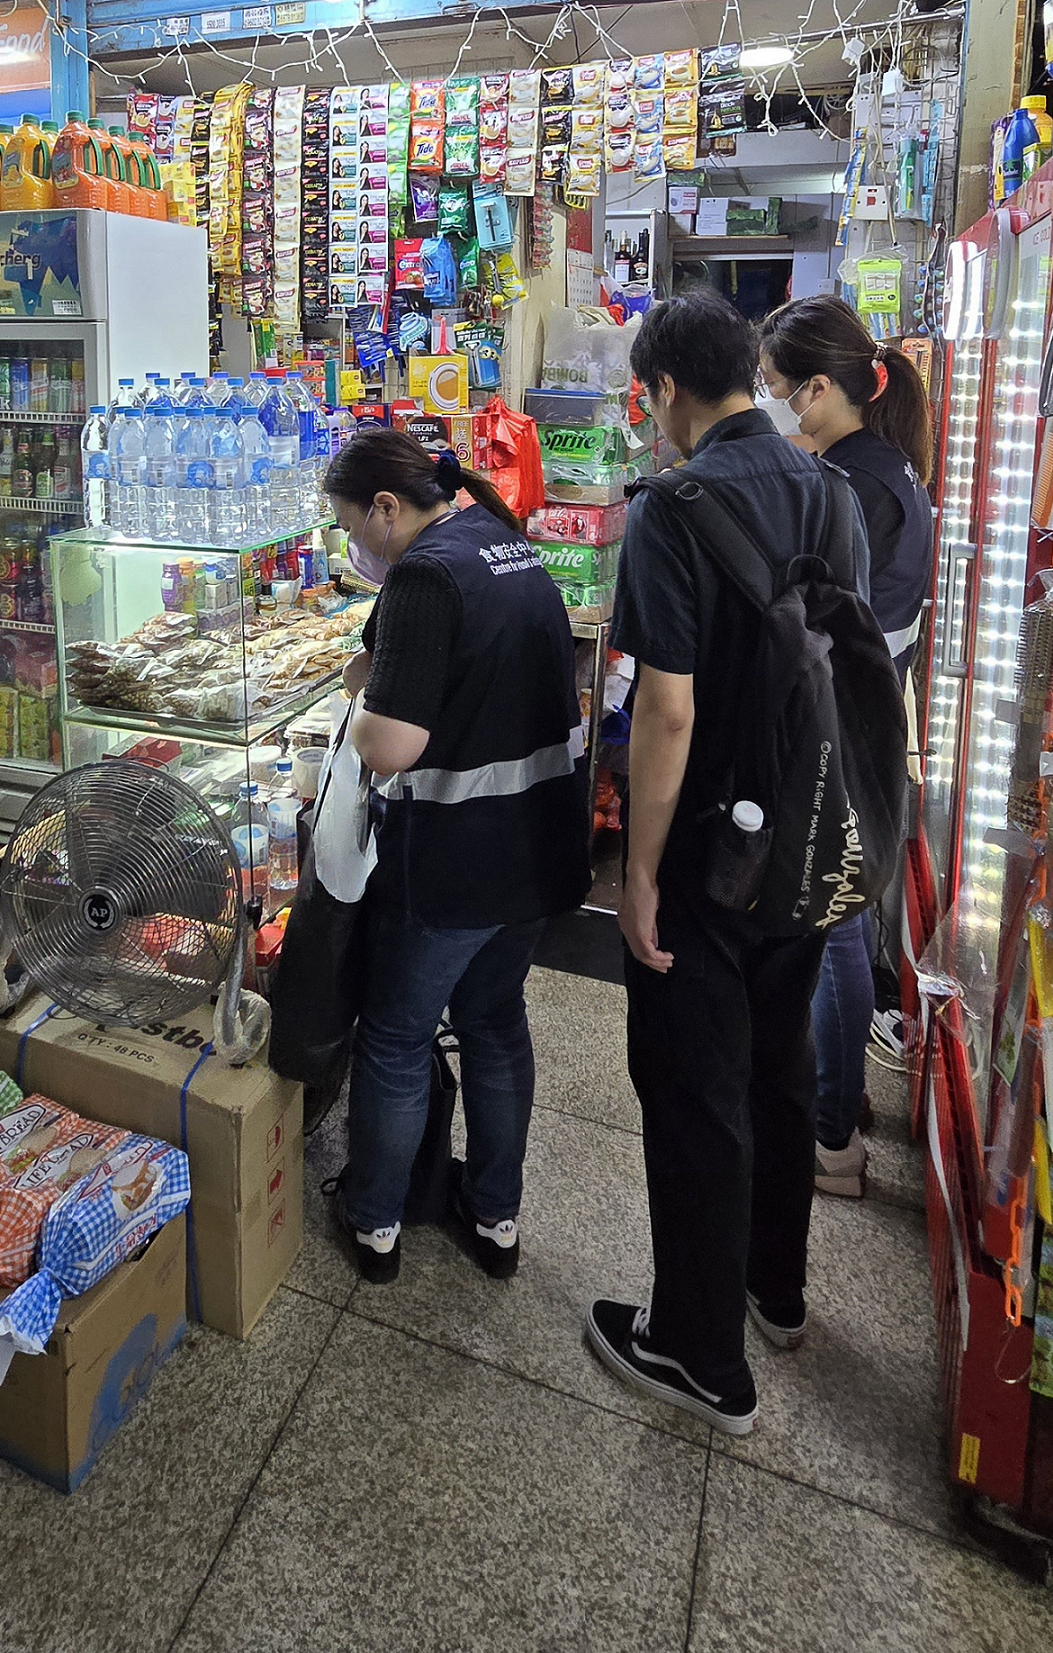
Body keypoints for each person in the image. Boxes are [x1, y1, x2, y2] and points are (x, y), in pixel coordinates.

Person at [586, 290, 873, 1436]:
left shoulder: (671, 507)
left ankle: (700, 1356)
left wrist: (638, 876)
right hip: (808, 834)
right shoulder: (832, 487)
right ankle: (775, 1288)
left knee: (694, 1092)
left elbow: (663, 710)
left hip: (711, 845)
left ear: (660, 392)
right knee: (775, 1066)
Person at [322, 429, 590, 1284]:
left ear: (387, 508)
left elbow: (390, 746)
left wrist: (358, 716)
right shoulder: (501, 544)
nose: (351, 547)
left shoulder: (427, 575)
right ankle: (496, 1215)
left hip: (456, 858)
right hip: (536, 847)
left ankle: (373, 1222)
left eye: (349, 527)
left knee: (397, 1038)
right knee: (495, 1022)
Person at [758, 296, 935, 1199]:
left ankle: (829, 1137)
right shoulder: (885, 469)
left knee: (832, 932)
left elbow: (815, 629)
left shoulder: (850, 490)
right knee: (844, 926)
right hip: (869, 726)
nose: (772, 402)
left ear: (820, 389)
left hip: (838, 733)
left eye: (778, 387)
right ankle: (841, 1102)